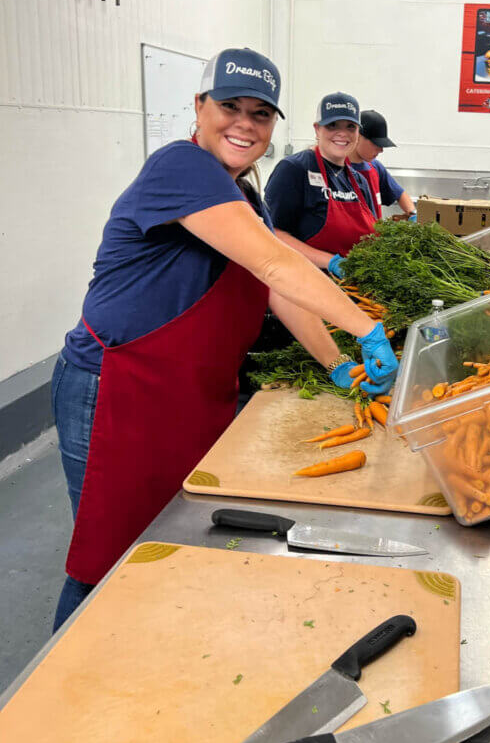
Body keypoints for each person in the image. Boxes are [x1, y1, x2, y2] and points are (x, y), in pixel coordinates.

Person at [51, 50, 397, 631]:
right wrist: (368, 329)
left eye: (260, 114)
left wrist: (338, 362)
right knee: (106, 560)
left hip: (181, 392)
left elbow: (275, 288)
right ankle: (52, 705)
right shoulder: (180, 168)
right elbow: (275, 262)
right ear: (198, 108)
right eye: (229, 107)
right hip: (114, 387)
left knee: (165, 541)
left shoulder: (244, 197)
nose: (244, 123)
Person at [265, 92, 378, 278]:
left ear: (358, 133)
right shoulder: (294, 169)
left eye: (350, 126)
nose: (342, 133)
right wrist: (331, 262)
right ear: (317, 129)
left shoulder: (359, 181)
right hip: (305, 286)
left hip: (354, 287)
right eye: (332, 125)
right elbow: (273, 233)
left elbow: (373, 238)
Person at [348, 109, 416, 222]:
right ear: (357, 136)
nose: (381, 150)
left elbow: (400, 194)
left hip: (373, 237)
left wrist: (413, 215)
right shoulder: (339, 169)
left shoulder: (375, 167)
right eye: (376, 144)